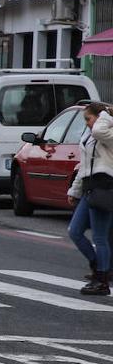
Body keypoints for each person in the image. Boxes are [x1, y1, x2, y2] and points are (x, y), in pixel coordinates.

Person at [67, 102, 113, 296]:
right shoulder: (90, 134)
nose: (86, 123)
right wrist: (74, 190)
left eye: (88, 118)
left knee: (100, 237)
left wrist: (105, 116)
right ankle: (98, 266)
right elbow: (84, 164)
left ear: (100, 117)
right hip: (89, 188)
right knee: (74, 231)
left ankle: (102, 280)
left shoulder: (108, 133)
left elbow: (99, 132)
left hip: (104, 188)